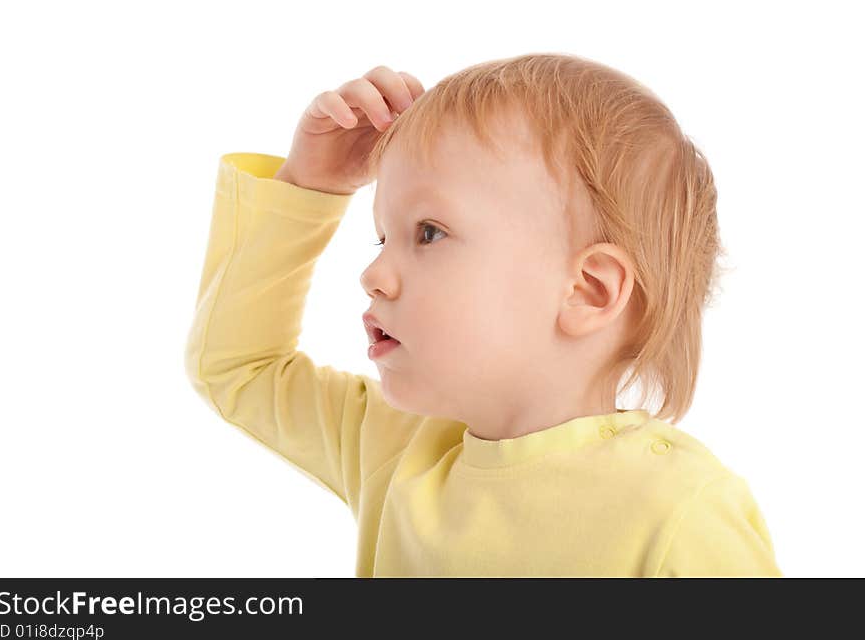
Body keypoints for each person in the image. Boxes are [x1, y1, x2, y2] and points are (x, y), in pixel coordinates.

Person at [184, 53, 783, 577]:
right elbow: (239, 366)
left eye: (429, 232)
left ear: (588, 292)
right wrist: (309, 187)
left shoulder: (680, 513)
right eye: (381, 239)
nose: (373, 275)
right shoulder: (393, 446)